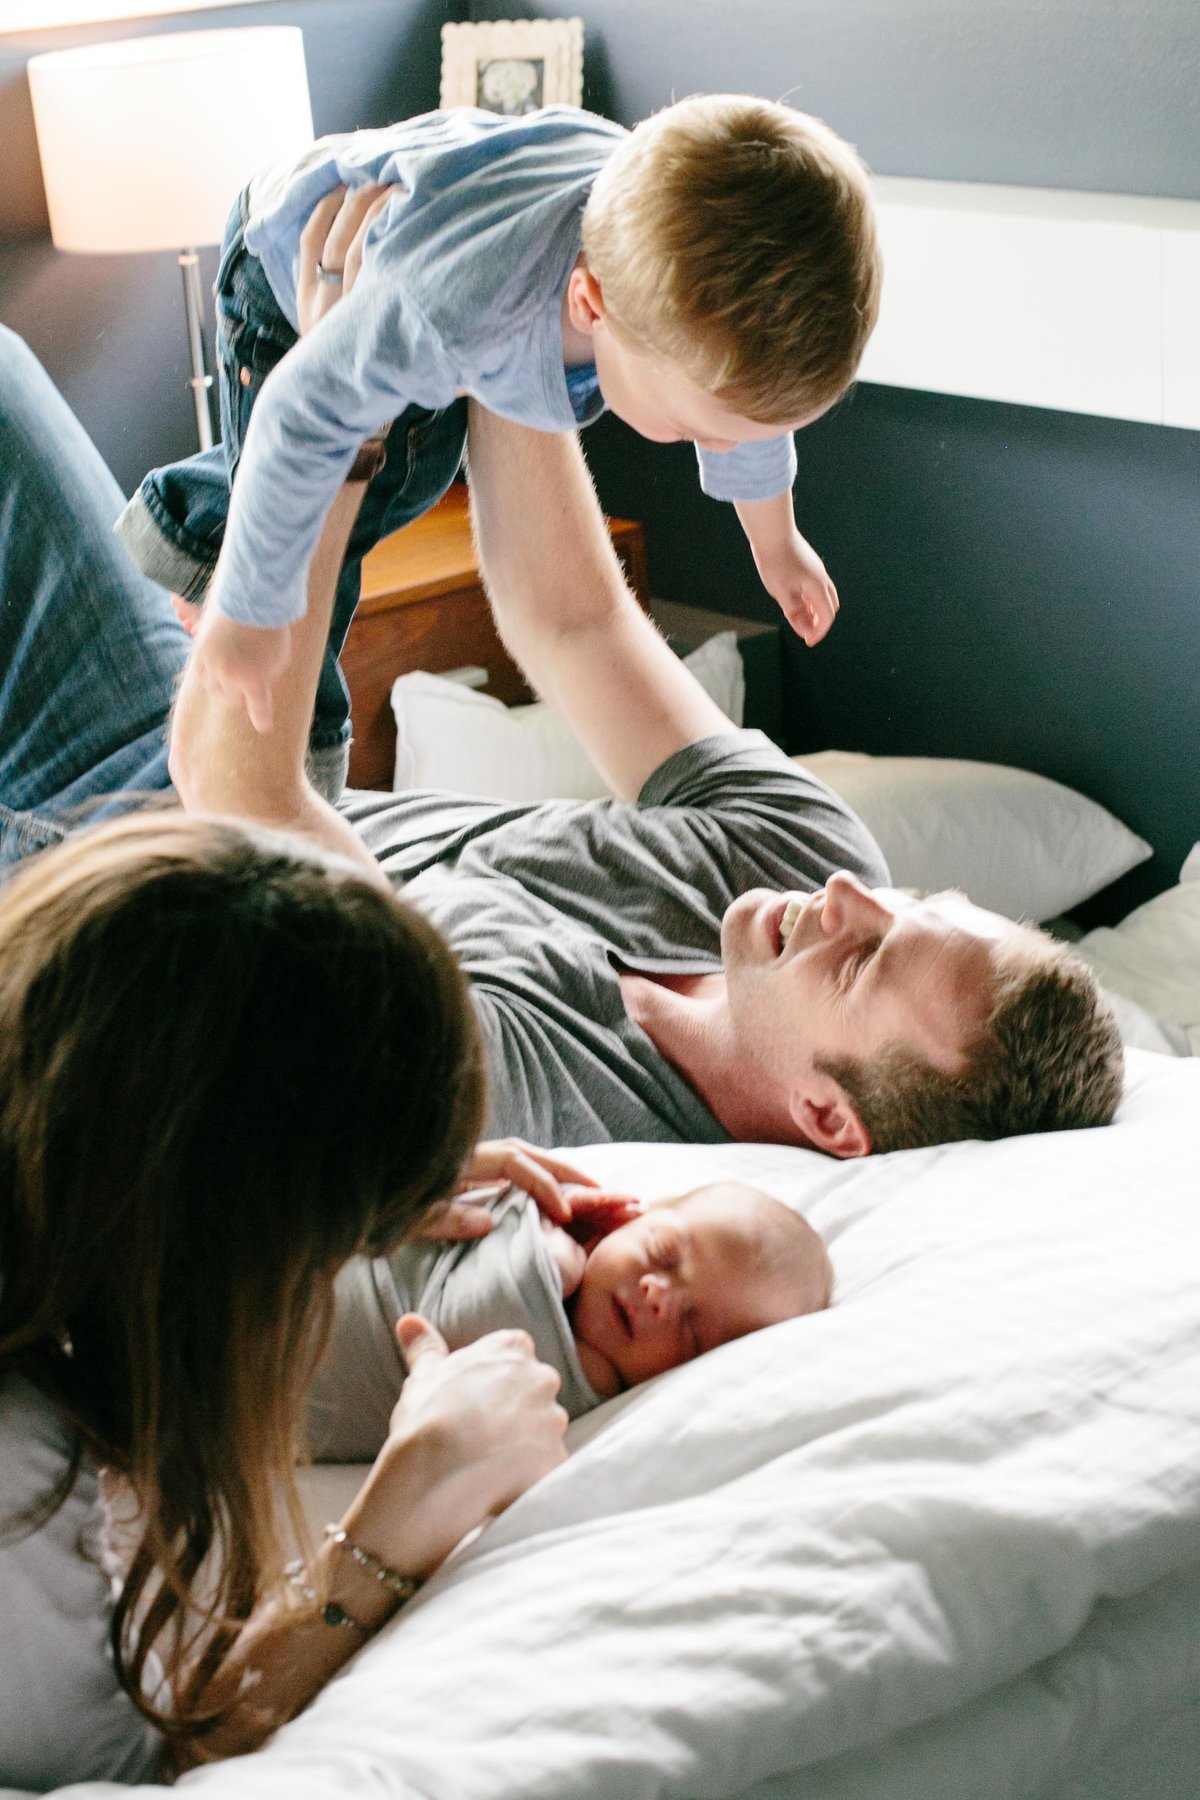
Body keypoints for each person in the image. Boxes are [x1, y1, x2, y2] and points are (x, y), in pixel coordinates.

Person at [0, 319, 1122, 1164]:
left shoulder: (548, 1107)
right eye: (912, 900)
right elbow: (577, 621)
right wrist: (510, 319)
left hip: (76, 922)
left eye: (868, 955)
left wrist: (339, 410)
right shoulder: (788, 860)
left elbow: (249, 805)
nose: (849, 895)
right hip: (143, 737)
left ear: (831, 1118)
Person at [0, 801, 601, 1785]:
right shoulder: (17, 1459)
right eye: (320, 1257)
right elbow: (127, 1774)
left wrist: (346, 1184)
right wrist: (400, 1514)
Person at [114, 95, 881, 780]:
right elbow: (298, 413)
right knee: (385, 481)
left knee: (416, 454)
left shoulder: (671, 298)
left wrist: (776, 546)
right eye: (690, 431)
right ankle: (205, 551)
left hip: (466, 221)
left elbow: (746, 424)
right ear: (590, 304)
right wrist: (249, 616)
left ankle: (210, 529)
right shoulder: (458, 306)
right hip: (292, 250)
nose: (711, 448)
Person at [309, 1182, 833, 1458]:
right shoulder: (529, 1216)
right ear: (624, 1219)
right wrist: (536, 1221)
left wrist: (549, 1266)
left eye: (693, 1333)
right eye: (663, 1251)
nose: (659, 1297)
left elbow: (459, 1323)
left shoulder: (568, 1396)